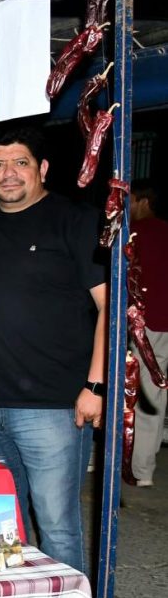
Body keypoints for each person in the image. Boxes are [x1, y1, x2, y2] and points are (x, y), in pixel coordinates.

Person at [0, 127, 105, 574]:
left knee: (56, 524)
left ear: (43, 169)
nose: (9, 173)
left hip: (50, 407)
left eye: (20, 163)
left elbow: (109, 308)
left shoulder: (75, 221)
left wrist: (96, 385)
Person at [130, 179, 168, 487]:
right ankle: (144, 466)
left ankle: (140, 469)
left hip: (146, 324)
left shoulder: (136, 233)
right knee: (156, 395)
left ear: (143, 201)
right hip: (161, 323)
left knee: (143, 395)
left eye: (129, 200)